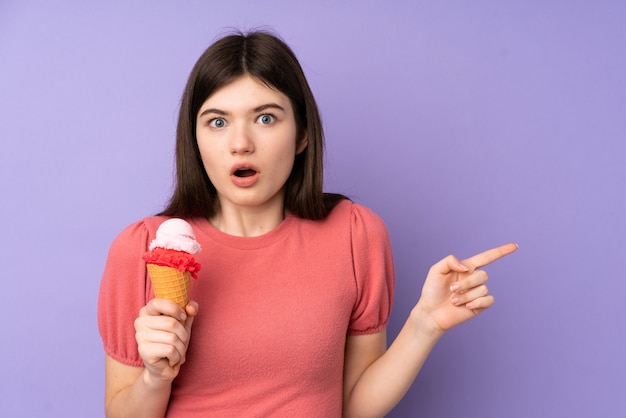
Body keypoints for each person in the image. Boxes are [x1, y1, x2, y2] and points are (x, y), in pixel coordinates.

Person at [98, 30, 517, 417]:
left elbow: (353, 404)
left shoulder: (355, 234)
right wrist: (157, 377)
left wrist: (424, 324)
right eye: (217, 121)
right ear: (195, 138)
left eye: (265, 118)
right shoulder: (141, 250)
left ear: (301, 135)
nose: (240, 143)